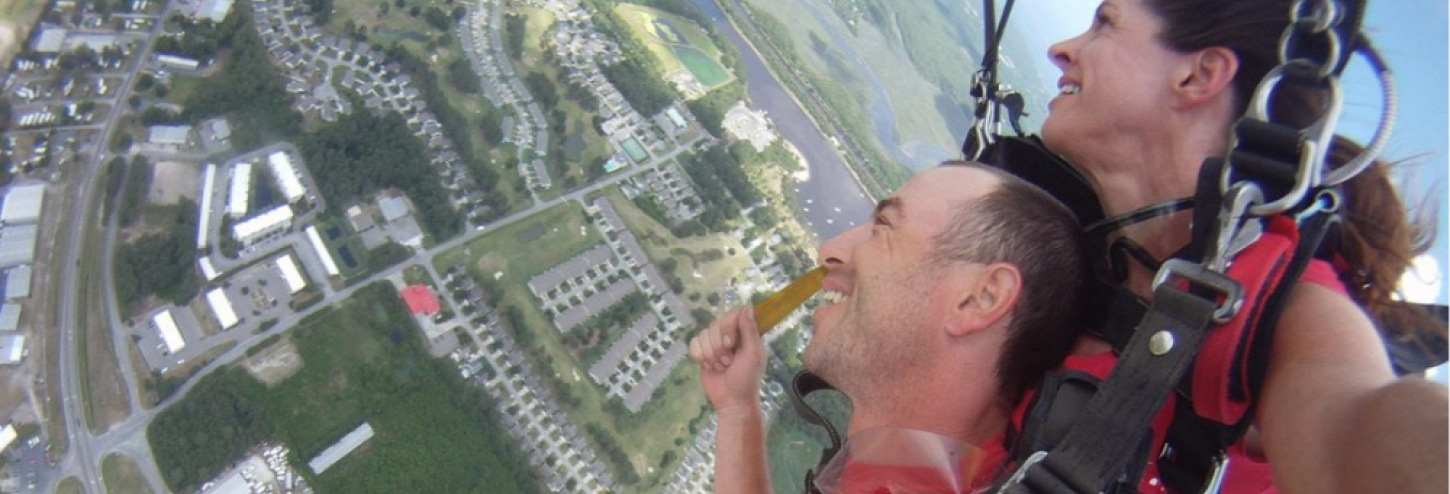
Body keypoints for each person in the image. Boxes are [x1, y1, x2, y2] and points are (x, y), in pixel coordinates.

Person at [1038, 0, 1447, 492]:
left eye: (1105, 22)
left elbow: (1356, 424)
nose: (1060, 50)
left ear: (1198, 76)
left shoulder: (1280, 311)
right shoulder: (1075, 241)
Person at [689, 163, 1088, 494]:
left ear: (979, 299)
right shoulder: (913, 473)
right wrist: (738, 409)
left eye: (883, 227)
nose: (830, 250)